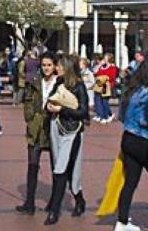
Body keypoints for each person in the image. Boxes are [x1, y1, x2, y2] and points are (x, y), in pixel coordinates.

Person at [115, 59, 148, 231]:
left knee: (130, 182)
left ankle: (121, 222)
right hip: (143, 141)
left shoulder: (131, 90)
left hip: (128, 138)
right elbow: (145, 120)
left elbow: (121, 116)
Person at [43, 55, 89, 225]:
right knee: (61, 167)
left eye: (60, 66)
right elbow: (51, 99)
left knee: (62, 169)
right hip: (56, 128)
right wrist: (49, 107)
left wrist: (62, 109)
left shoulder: (79, 85)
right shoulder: (58, 82)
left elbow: (83, 112)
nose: (57, 68)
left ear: (68, 67)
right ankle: (79, 199)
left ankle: (55, 210)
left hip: (72, 131)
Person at [16, 51, 58, 215]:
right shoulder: (34, 81)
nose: (46, 68)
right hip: (35, 129)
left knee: (57, 167)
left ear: (54, 66)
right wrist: (30, 118)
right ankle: (29, 202)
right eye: (44, 65)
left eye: (49, 65)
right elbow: (27, 102)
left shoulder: (59, 83)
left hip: (53, 128)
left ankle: (54, 201)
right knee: (32, 165)